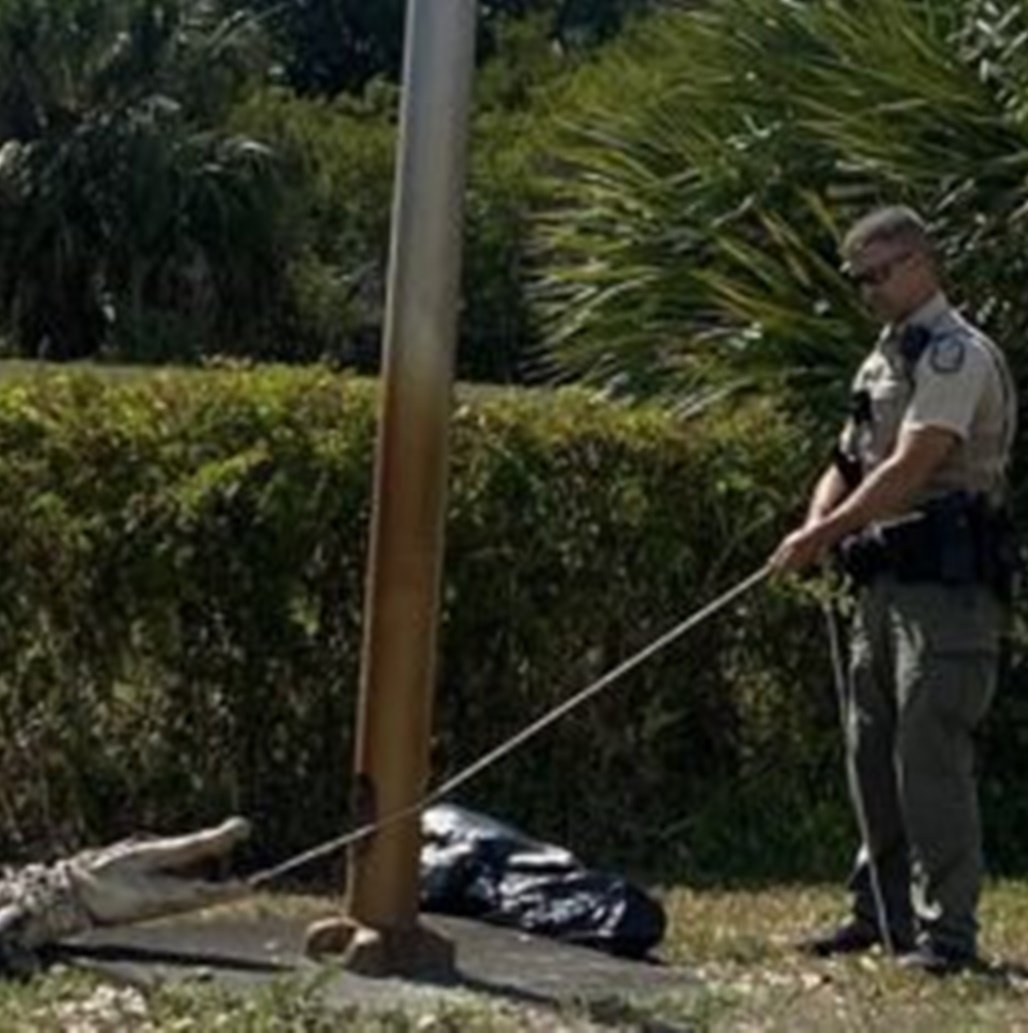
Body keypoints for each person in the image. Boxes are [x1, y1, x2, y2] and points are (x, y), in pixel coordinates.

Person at [769, 205, 1017, 974]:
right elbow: (848, 457)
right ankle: (879, 908)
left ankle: (950, 935)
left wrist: (823, 535)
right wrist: (817, 522)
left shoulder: (956, 354)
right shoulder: (881, 360)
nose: (870, 290)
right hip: (882, 581)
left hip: (947, 588)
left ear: (921, 262)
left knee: (927, 749)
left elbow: (913, 465)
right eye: (859, 279)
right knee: (868, 744)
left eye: (881, 273)